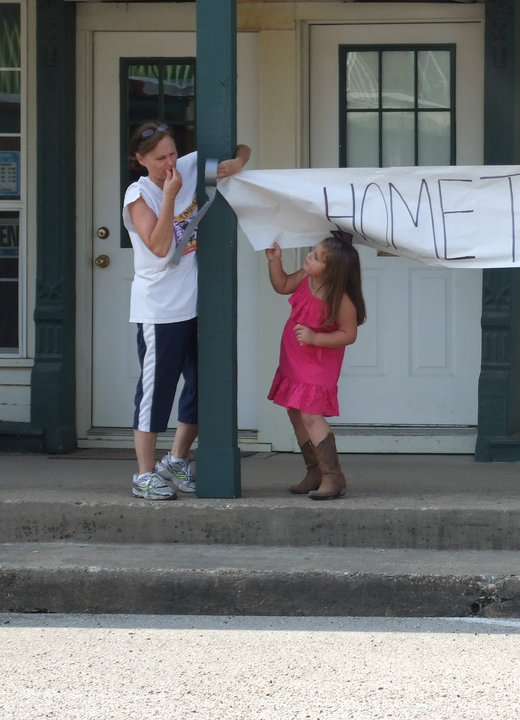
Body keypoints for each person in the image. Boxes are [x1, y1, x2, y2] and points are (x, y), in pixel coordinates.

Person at [123, 121, 251, 500]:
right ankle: (144, 474)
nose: (169, 163)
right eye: (160, 158)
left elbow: (242, 146)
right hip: (159, 310)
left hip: (196, 304)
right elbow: (161, 246)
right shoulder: (138, 193)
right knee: (155, 391)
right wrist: (169, 196)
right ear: (140, 159)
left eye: (173, 153)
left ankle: (176, 460)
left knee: (201, 386)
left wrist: (235, 165)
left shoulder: (188, 166)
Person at [265, 232, 367, 500]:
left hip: (317, 363)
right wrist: (275, 261)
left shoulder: (341, 300)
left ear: (332, 272)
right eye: (313, 252)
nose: (309, 257)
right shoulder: (306, 278)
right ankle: (315, 471)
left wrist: (315, 338)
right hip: (293, 359)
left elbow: (349, 334)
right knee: (296, 412)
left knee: (311, 414)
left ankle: (334, 477)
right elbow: (282, 284)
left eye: (317, 257)